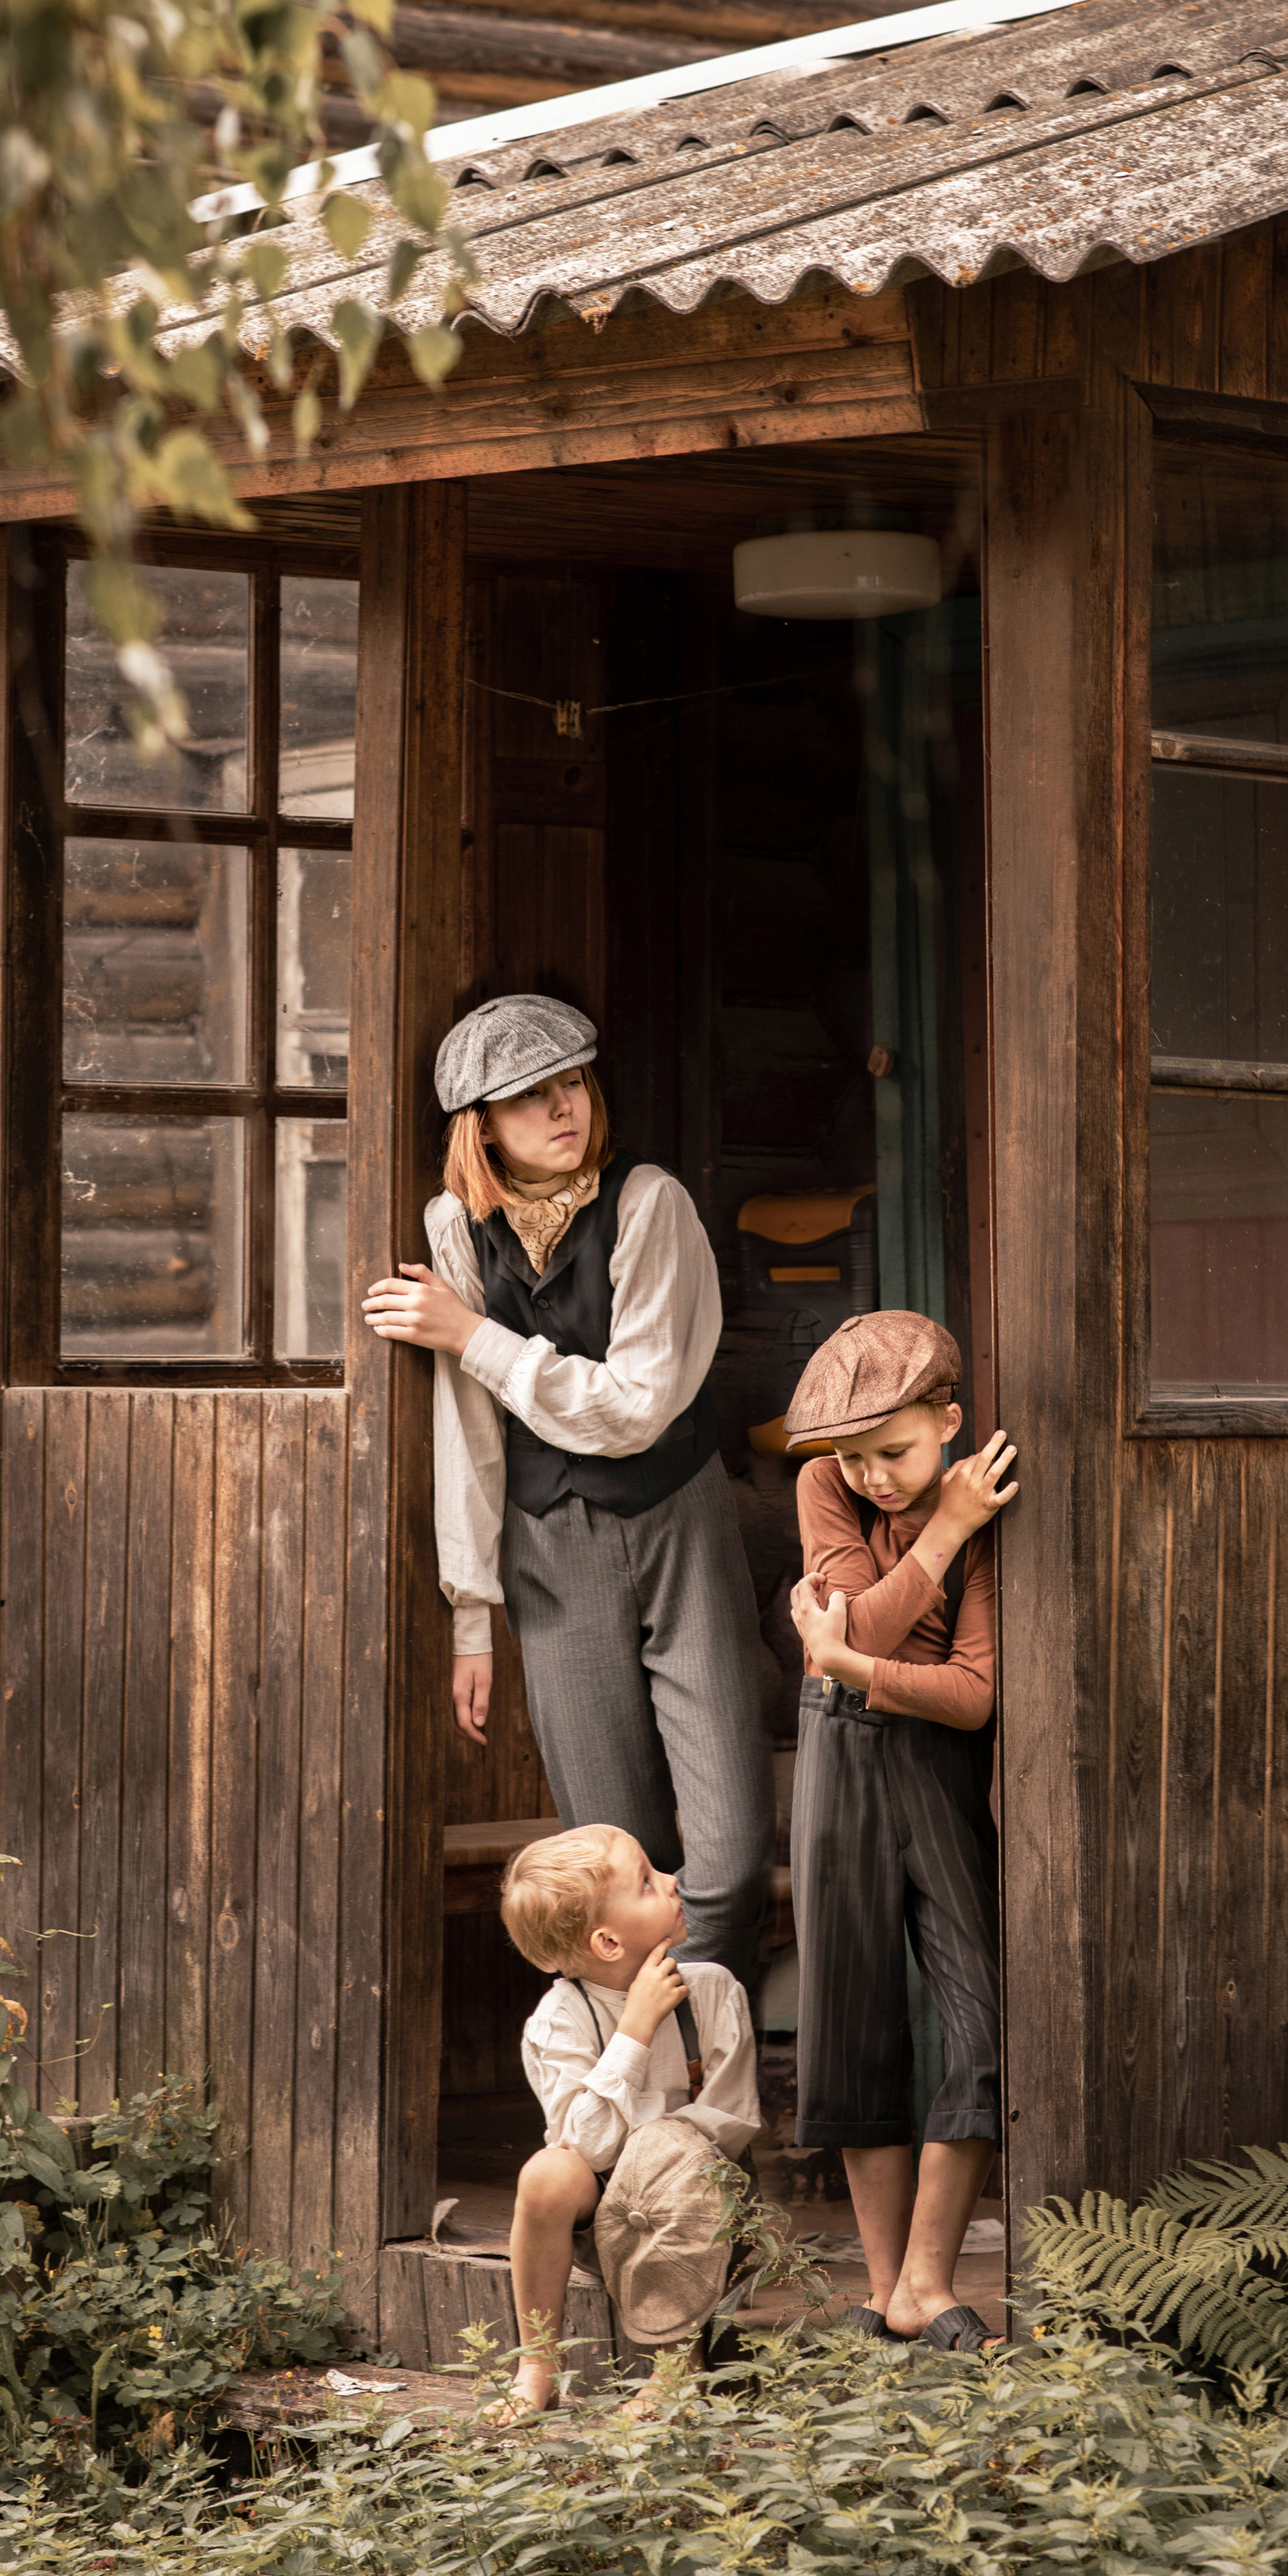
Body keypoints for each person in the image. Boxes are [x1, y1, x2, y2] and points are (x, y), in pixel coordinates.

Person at [362, 994, 774, 1990]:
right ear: (482, 1127)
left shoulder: (648, 1205)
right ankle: (638, 2102)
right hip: (547, 1547)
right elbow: (466, 1435)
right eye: (529, 1097)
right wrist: (472, 1618)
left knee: (724, 1863)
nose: (563, 1107)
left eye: (572, 1082)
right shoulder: (453, 1230)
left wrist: (473, 1335)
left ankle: (709, 2098)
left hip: (678, 1522)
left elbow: (633, 1410)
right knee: (607, 1860)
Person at [782, 1310, 1016, 2354]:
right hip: (835, 1755)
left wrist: (849, 1665)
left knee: (980, 2017)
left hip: (931, 1764)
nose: (873, 1476)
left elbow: (968, 1699)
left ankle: (929, 2278)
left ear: (949, 1421)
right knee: (851, 2022)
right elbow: (856, 1626)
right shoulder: (823, 1484)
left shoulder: (993, 1502)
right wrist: (942, 1535)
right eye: (855, 1456)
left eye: (899, 1450)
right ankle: (888, 2294)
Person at [497, 1822, 760, 2413]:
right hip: (604, 2211)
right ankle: (538, 2363)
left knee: (668, 2142)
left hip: (705, 2208)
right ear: (608, 1943)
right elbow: (583, 2147)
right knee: (546, 2173)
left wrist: (653, 2152)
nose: (672, 1882)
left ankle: (676, 2367)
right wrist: (634, 2030)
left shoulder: (713, 1991)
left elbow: (734, 2122)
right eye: (647, 1883)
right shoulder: (560, 2020)